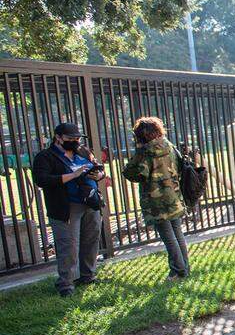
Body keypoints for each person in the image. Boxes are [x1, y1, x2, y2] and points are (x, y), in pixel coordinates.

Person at [31, 122, 106, 297]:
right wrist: (73, 175)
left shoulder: (83, 151)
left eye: (77, 138)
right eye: (70, 138)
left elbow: (99, 169)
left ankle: (88, 275)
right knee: (69, 245)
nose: (75, 141)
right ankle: (66, 284)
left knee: (91, 240)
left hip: (90, 202)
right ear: (58, 138)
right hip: (66, 206)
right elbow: (42, 180)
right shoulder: (45, 157)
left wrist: (99, 175)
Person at [123, 116, 190, 279]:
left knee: (168, 236)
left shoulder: (145, 152)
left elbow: (133, 173)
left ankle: (178, 270)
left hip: (156, 201)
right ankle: (184, 268)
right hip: (174, 195)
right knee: (177, 232)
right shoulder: (170, 146)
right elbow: (181, 167)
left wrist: (136, 155)